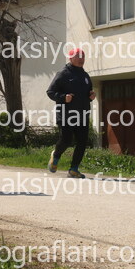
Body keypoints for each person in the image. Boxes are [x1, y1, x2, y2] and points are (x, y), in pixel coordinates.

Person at [46, 48, 96, 178]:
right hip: (66, 115)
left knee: (82, 142)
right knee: (66, 140)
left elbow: (89, 92)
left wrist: (91, 96)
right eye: (78, 56)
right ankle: (56, 155)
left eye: (83, 56)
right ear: (71, 58)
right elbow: (50, 92)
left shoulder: (85, 76)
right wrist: (63, 97)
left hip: (82, 114)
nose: (81, 59)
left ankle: (74, 169)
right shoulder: (63, 74)